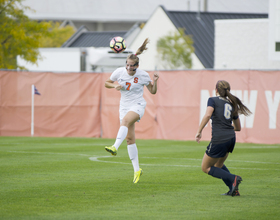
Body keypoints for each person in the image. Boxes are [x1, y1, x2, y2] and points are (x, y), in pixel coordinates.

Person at [104, 38, 159, 184]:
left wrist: (156, 81)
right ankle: (137, 170)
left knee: (125, 121)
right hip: (124, 106)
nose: (129, 68)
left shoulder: (142, 75)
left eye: (132, 66)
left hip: (138, 105)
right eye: (127, 65)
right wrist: (113, 86)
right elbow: (106, 83)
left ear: (137, 66)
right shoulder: (119, 72)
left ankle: (114, 147)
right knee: (129, 139)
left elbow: (152, 91)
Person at [195, 80, 252, 196]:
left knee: (205, 167)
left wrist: (199, 131)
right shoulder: (232, 104)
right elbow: (238, 128)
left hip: (219, 139)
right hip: (231, 138)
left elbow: (207, 115)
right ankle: (233, 189)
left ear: (216, 90)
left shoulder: (212, 100)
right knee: (218, 165)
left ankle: (233, 178)